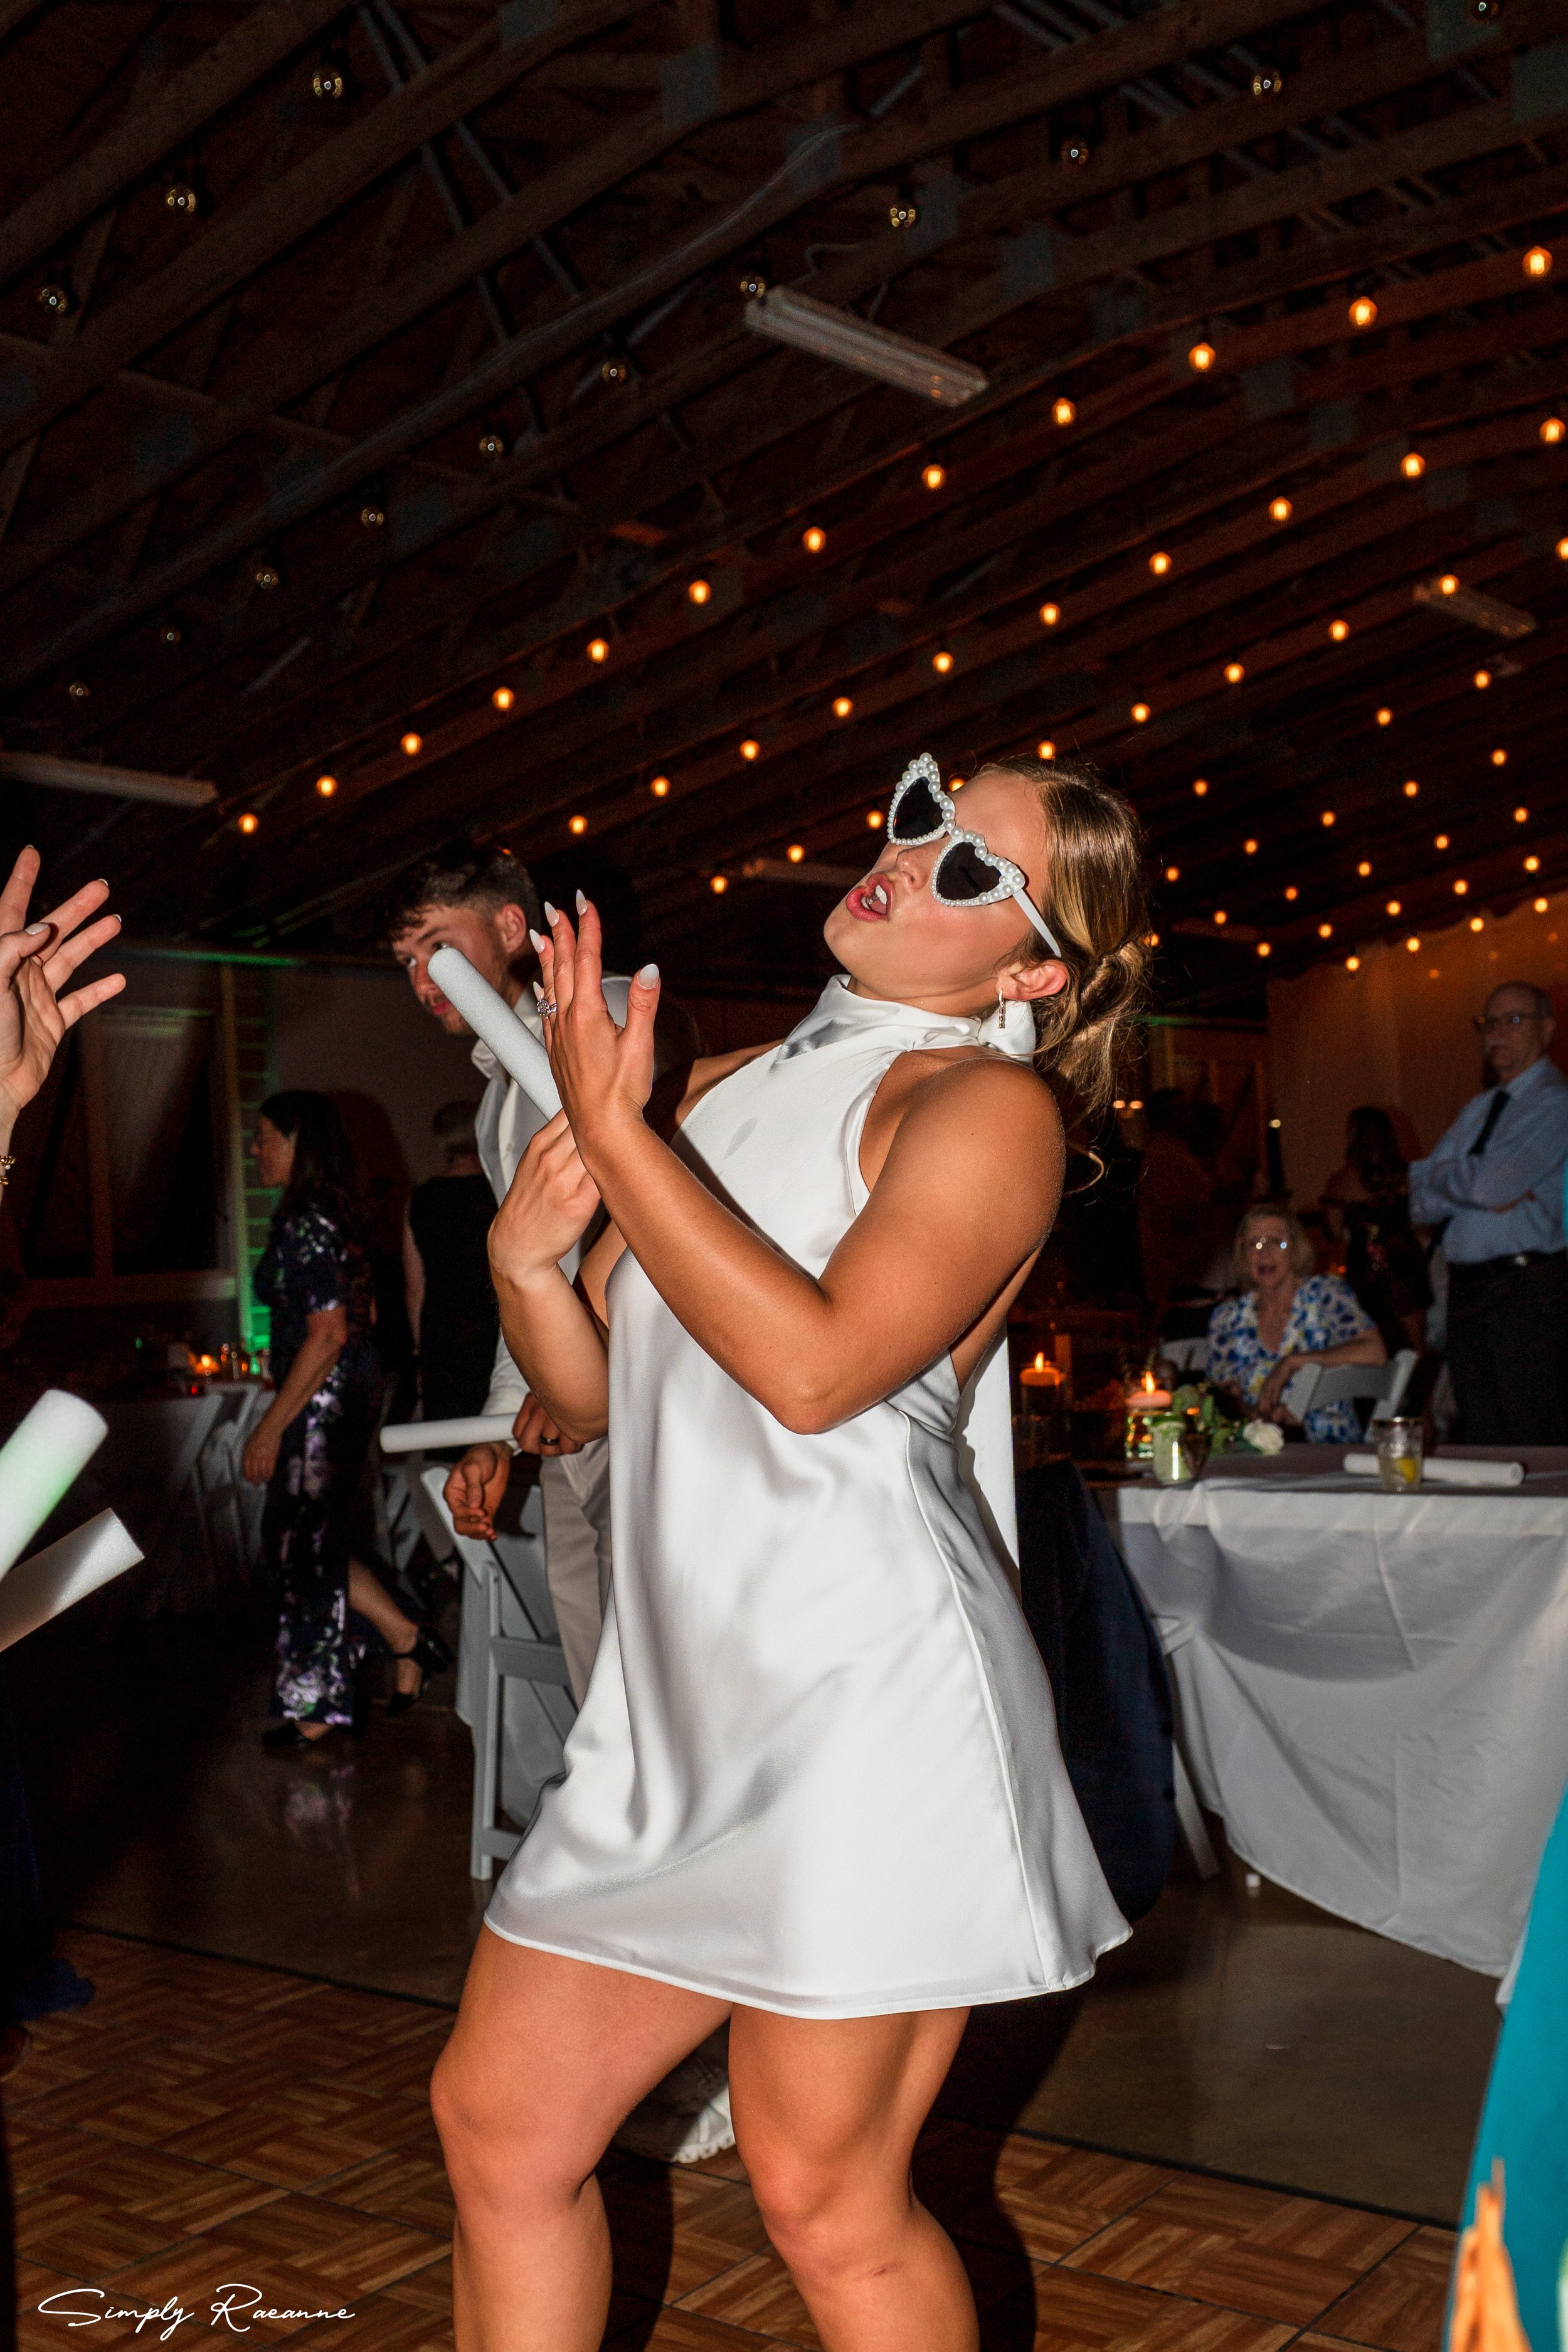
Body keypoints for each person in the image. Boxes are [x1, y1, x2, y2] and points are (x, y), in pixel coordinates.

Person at [431, 751, 1142, 2352]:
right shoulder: (730, 1085)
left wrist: (622, 1141)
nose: (912, 857)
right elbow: (598, 1386)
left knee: (826, 2196)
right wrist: (523, 1259)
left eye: (975, 871)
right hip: (673, 1709)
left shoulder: (989, 1106)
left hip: (863, 1704)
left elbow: (817, 1373)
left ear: (1035, 968)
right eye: (919, 815)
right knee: (501, 2126)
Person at [382, 840, 627, 1706]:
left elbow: (671, 1206)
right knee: (596, 1683)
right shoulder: (495, 1106)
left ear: (512, 927)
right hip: (559, 1418)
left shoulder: (614, 1013)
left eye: (436, 948)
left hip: (649, 1404)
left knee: (663, 1688)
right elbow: (527, 1274)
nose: (420, 980)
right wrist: (494, 1431)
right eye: (407, 964)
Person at [243, 1091, 451, 1745]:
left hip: (323, 1399)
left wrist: (271, 1425)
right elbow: (368, 1319)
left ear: (300, 1144)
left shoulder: (311, 1220)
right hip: (340, 1391)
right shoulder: (328, 1215)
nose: (256, 1151)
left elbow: (328, 1333)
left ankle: (348, 1682)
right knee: (306, 1547)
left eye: (265, 1137)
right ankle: (397, 1647)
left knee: (296, 1546)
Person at [1408, 982, 1568, 1445]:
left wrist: (1454, 1178)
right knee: (1483, 1437)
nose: (1498, 1032)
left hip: (1526, 1294)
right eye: (1489, 1022)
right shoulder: (1479, 1109)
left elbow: (1488, 1184)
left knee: (1533, 1438)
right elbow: (1418, 1195)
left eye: (1514, 1020)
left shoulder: (1555, 1104)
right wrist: (1468, 1181)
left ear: (1548, 1028)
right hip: (1469, 1293)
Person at [1207, 1205, 1387, 1441]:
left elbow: (1376, 1352)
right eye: (1255, 1244)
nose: (1265, 1254)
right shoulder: (1228, 1319)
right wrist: (1259, 1416)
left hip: (1332, 1455)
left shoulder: (1325, 1295)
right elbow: (1222, 1400)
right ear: (1243, 1252)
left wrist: (1293, 1363)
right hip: (1259, 1455)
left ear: (1296, 1249)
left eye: (1277, 1243)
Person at [404, 1100, 498, 1426]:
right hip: (495, 1324)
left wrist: (421, 1351)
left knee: (448, 1438)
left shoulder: (422, 1199)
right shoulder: (501, 1194)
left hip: (442, 1329)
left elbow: (415, 1287)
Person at [1321, 1106, 1431, 1356]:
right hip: (1406, 1262)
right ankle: (1417, 1393)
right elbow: (1425, 1218)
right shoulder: (1407, 1176)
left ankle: (1384, 1394)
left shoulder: (1342, 1181)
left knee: (1372, 1344)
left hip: (1367, 1268)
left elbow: (1334, 1232)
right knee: (1416, 1344)